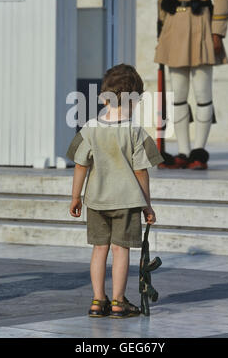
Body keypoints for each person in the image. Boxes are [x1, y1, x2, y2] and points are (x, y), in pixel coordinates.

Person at [66, 64, 164, 318]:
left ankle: (98, 301)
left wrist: (76, 197)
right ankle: (119, 302)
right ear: (135, 99)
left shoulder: (89, 128)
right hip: (127, 202)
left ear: (104, 95)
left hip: (96, 201)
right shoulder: (135, 132)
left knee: (100, 249)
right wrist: (147, 206)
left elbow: (80, 165)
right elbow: (142, 172)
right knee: (121, 250)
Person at [154, 0, 228, 170]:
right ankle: (183, 152)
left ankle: (199, 150)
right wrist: (161, 29)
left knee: (202, 92)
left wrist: (217, 32)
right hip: (175, 25)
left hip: (201, 24)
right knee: (178, 94)